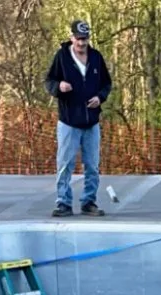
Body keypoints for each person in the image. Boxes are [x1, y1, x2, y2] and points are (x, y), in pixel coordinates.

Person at [44, 20, 112, 216]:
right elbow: (49, 81)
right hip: (69, 121)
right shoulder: (62, 58)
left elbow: (106, 83)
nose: (82, 43)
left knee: (92, 165)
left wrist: (100, 97)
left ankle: (89, 202)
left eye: (85, 39)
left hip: (91, 122)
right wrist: (59, 88)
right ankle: (63, 203)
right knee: (65, 164)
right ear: (71, 37)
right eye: (79, 39)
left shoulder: (96, 58)